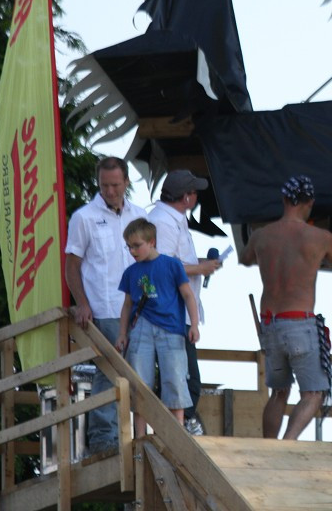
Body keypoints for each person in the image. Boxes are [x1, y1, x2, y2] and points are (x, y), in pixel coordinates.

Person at [240, 175, 332, 440]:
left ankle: (269, 446)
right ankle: (288, 444)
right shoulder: (320, 237)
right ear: (309, 202)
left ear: (284, 199)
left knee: (279, 392)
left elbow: (245, 259)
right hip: (299, 325)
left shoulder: (262, 236)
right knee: (313, 393)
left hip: (270, 325)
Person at [65, 156, 147, 454]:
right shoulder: (84, 217)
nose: (110, 191)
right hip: (105, 306)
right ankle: (103, 439)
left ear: (126, 182)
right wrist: (82, 303)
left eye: (115, 185)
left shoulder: (138, 216)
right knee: (111, 369)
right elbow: (71, 265)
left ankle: (130, 436)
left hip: (140, 309)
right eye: (104, 185)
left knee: (135, 371)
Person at [148, 169, 222, 435]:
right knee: (187, 384)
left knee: (179, 381)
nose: (197, 196)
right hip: (173, 313)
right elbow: (163, 266)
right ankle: (170, 432)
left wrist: (200, 264)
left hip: (178, 312)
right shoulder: (164, 222)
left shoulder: (170, 219)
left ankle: (167, 429)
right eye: (194, 192)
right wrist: (200, 269)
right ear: (186, 197)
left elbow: (173, 262)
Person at [115, 219, 200, 437]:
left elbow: (188, 295)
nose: (133, 250)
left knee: (174, 379)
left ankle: (177, 433)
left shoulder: (172, 265)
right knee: (140, 382)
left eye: (137, 245)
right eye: (129, 246)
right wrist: (123, 333)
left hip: (171, 328)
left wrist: (194, 325)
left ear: (151, 242)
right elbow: (127, 305)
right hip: (141, 327)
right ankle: (140, 436)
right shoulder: (131, 272)